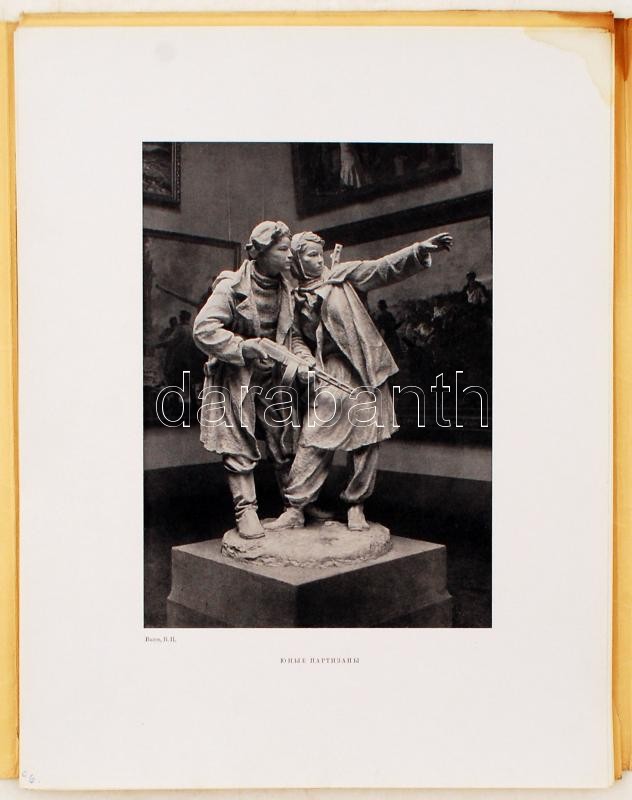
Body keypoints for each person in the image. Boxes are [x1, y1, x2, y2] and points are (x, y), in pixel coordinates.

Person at [265, 229, 453, 532]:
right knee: (313, 435)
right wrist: (305, 360)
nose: (319, 260)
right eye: (311, 255)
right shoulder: (293, 297)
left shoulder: (342, 276)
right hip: (330, 369)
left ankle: (356, 505)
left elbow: (382, 268)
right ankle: (296, 507)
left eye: (320, 254)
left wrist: (418, 250)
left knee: (365, 439)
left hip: (365, 368)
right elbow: (296, 338)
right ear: (297, 261)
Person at [192, 220, 298, 540]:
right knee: (237, 440)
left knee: (284, 439)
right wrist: (242, 347)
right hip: (236, 376)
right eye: (283, 249)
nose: (290, 255)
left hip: (274, 376)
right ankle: (246, 510)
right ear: (260, 252)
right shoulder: (231, 286)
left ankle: (295, 505)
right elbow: (203, 329)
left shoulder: (289, 287)